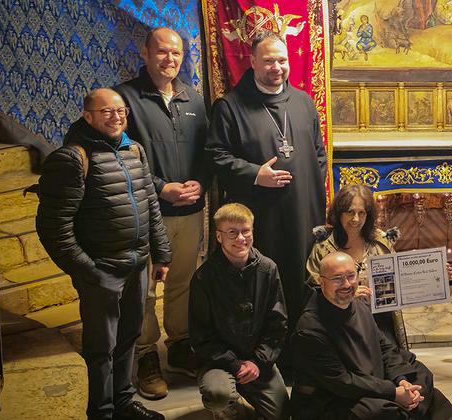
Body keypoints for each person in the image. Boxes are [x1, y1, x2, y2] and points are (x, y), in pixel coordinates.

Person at [36, 88, 170, 420]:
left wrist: (161, 253)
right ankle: (102, 411)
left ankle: (123, 402)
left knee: (128, 339)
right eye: (106, 111)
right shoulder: (72, 158)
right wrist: (88, 270)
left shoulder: (134, 150)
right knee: (101, 350)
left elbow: (150, 205)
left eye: (121, 111)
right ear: (88, 116)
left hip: (137, 264)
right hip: (101, 271)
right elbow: (53, 227)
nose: (116, 117)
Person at [206, 32, 327, 336]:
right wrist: (255, 174)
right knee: (267, 283)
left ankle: (306, 345)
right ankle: (268, 351)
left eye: (282, 60)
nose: (277, 67)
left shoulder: (303, 101)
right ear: (253, 62)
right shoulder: (230, 107)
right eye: (269, 60)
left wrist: (308, 190)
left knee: (304, 277)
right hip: (262, 216)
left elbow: (318, 153)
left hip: (303, 213)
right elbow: (216, 156)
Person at [114, 27, 210, 398]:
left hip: (189, 210)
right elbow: (120, 157)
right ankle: (145, 352)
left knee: (184, 280)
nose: (170, 60)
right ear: (145, 52)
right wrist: (160, 187)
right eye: (162, 52)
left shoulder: (195, 100)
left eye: (176, 54)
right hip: (145, 211)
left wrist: (200, 182)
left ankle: (180, 343)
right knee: (144, 287)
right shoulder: (126, 98)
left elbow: (208, 152)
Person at [292, 252, 452, 420]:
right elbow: (342, 381)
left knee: (419, 377)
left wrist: (401, 381)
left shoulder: (359, 306)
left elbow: (385, 348)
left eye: (351, 276)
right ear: (321, 282)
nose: (346, 284)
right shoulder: (310, 329)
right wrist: (393, 392)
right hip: (333, 398)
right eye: (337, 278)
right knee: (379, 411)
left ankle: (409, 402)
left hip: (372, 382)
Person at [188, 203, 289, 419]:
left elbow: (277, 323)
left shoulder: (268, 269)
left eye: (246, 231)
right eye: (232, 233)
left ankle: (248, 389)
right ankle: (227, 405)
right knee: (218, 394)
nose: (240, 239)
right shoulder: (204, 278)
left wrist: (257, 362)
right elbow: (201, 336)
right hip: (218, 361)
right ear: (218, 236)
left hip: (256, 360)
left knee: (283, 414)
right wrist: (234, 364)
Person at [306, 184, 408, 350]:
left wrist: (434, 277)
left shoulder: (381, 242)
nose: (356, 219)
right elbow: (313, 290)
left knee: (399, 364)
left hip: (380, 321)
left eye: (362, 213)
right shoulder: (323, 247)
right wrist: (347, 296)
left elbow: (401, 279)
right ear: (339, 213)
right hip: (339, 324)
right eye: (350, 212)